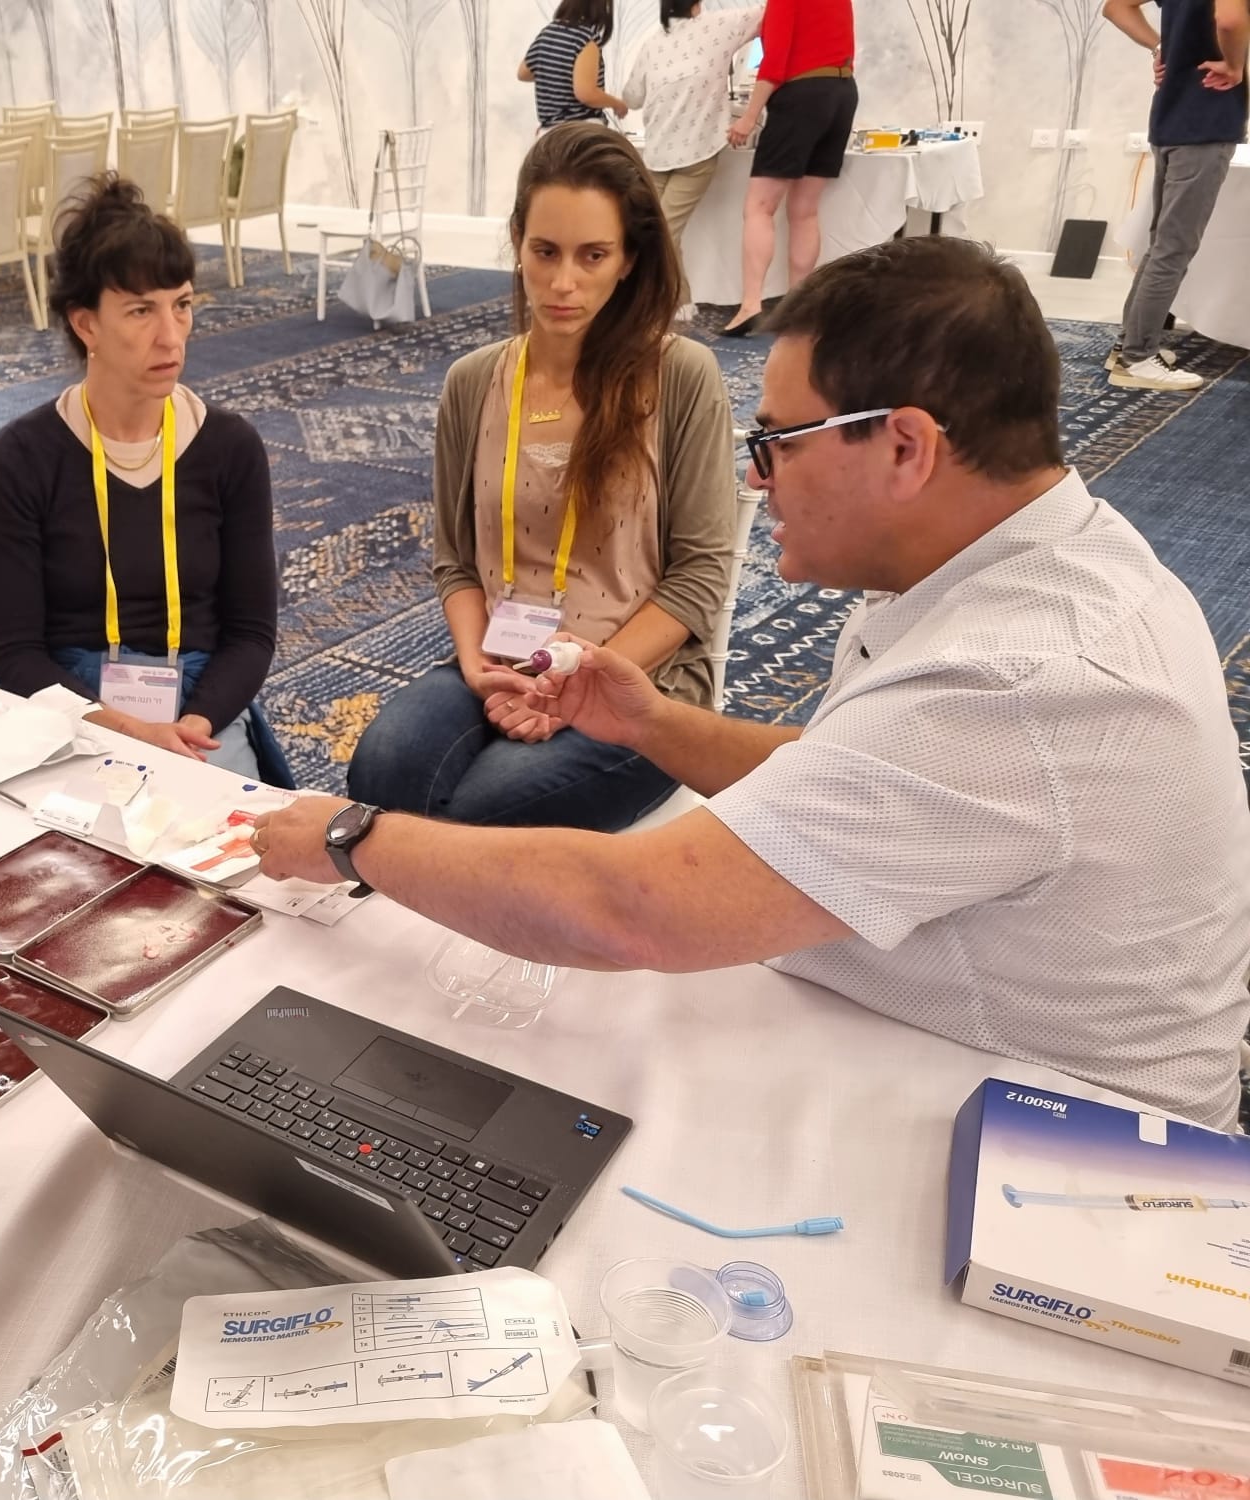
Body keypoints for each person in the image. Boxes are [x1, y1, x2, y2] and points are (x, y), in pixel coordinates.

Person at [252, 236, 1250, 1131]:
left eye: (775, 443)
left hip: (1051, 1145)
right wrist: (652, 723)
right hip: (958, 1044)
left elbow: (630, 910)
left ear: (905, 447)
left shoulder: (1015, 681)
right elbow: (852, 766)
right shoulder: (1029, 559)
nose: (756, 480)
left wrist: (352, 838)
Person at [345, 125, 735, 832]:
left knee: (489, 809)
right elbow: (455, 560)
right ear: (518, 243)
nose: (563, 283)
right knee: (383, 769)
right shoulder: (474, 382)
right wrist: (473, 662)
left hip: (638, 680)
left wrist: (579, 682)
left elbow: (699, 576)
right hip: (503, 659)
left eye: (593, 256)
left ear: (629, 259)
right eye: (545, 252)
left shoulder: (680, 376)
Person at [0, 175, 290, 786]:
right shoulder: (21, 459)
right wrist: (127, 729)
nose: (170, 336)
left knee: (221, 831)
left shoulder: (229, 448)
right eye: (142, 311)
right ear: (86, 324)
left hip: (198, 699)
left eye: (182, 305)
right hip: (67, 701)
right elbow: (17, 653)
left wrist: (194, 724)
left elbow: (251, 634)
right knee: (50, 833)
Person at [1102, 0, 1248, 391]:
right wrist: (1235, 65)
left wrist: (1158, 45)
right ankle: (1137, 358)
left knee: (1161, 246)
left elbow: (1115, 7)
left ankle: (1129, 345)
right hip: (1207, 119)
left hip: (1171, 117)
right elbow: (1230, 19)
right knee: (1173, 249)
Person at [720, 0, 857, 336]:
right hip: (842, 93)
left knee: (760, 207)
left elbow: (775, 63)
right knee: (805, 211)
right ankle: (799, 306)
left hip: (802, 95)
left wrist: (749, 117)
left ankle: (751, 305)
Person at [622, 0, 767, 246]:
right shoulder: (721, 24)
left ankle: (664, 273)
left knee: (656, 237)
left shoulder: (652, 44)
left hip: (660, 153)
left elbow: (632, 97)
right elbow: (770, 11)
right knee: (663, 239)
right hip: (693, 151)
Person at [519, 0, 627, 130]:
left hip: (548, 131)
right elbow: (586, 94)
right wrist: (617, 104)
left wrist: (556, 71)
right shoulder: (585, 39)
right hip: (580, 131)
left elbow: (523, 73)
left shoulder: (548, 32)